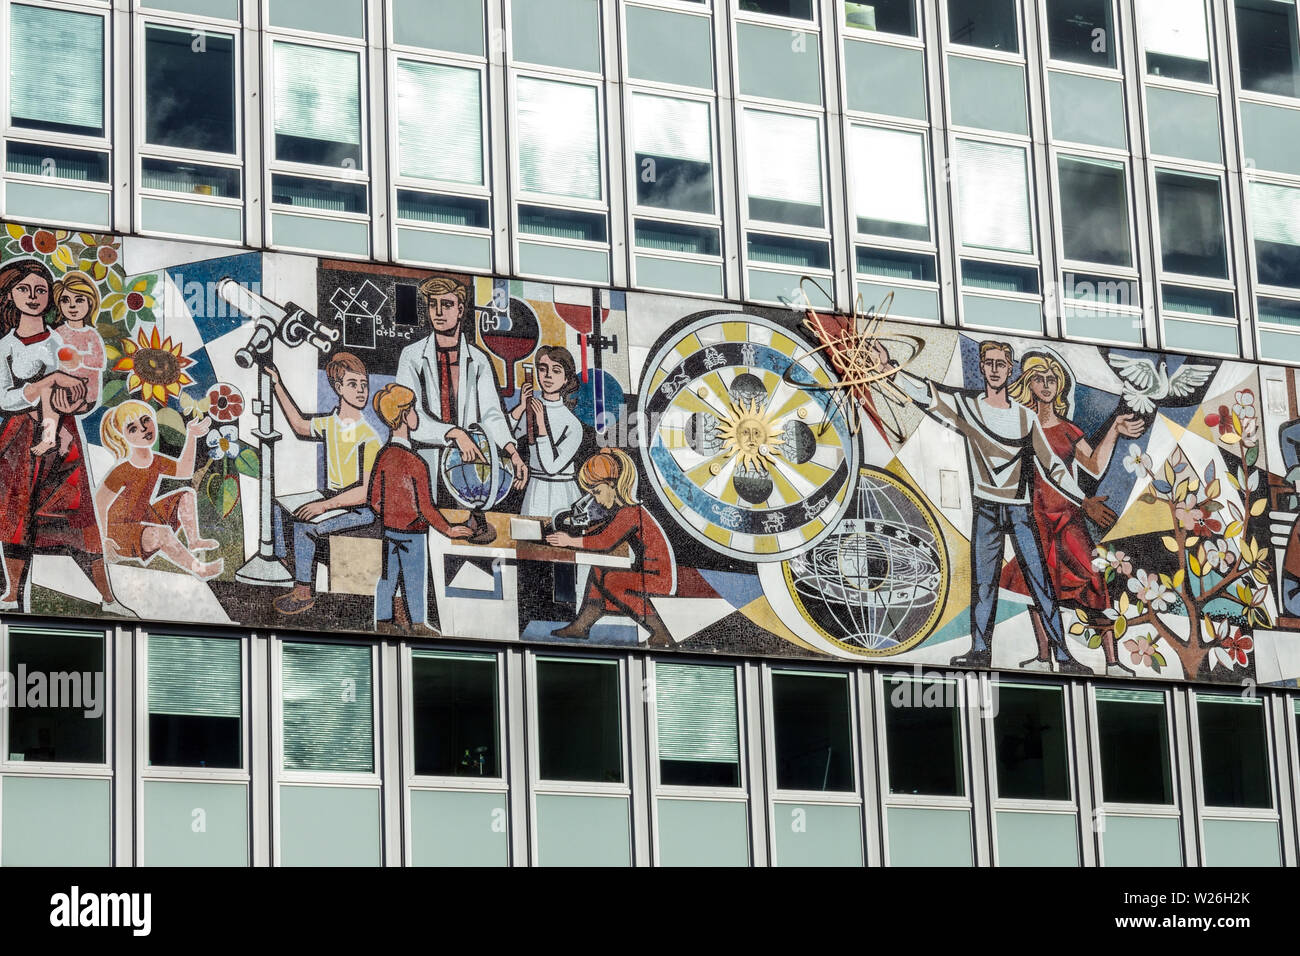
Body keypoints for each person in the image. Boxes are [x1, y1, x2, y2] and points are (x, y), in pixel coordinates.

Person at [876, 339, 1096, 674]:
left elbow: (1051, 464)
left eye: (1001, 364)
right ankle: (980, 652)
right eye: (989, 363)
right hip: (987, 508)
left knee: (1041, 584)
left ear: (1010, 370)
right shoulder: (969, 407)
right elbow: (929, 396)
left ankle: (1064, 656)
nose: (994, 370)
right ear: (982, 368)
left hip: (1019, 510)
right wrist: (889, 369)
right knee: (982, 585)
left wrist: (1082, 499)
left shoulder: (1025, 418)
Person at [999, 353, 1147, 676]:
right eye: (1040, 379)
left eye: (1052, 380)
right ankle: (1043, 657)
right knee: (1033, 583)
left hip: (1068, 516)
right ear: (1030, 384)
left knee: (1094, 579)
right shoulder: (1021, 426)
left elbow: (1093, 465)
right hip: (1035, 517)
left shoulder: (1067, 430)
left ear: (1060, 385)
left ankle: (1112, 662)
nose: (1046, 385)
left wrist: (1115, 430)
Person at [0, 259, 128, 614]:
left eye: (40, 290)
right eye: (24, 289)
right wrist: (43, 384)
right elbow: (4, 397)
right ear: (11, 294)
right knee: (16, 513)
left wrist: (78, 395)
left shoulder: (62, 338)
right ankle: (11, 596)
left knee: (78, 513)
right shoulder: (6, 345)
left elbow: (85, 388)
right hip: (19, 437)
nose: (32, 296)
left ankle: (108, 599)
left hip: (64, 435)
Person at [394, 276, 528, 506]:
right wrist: (455, 433)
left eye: (446, 305)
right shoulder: (412, 356)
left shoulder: (478, 360)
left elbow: (491, 414)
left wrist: (512, 452)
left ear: (460, 310)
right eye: (432, 304)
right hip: (427, 460)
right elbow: (409, 419)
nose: (438, 312)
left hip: (470, 465)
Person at [267, 351, 380, 615]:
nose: (361, 390)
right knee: (277, 507)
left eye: (364, 384)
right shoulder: (331, 423)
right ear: (338, 388)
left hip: (360, 510)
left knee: (305, 526)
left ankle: (303, 593)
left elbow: (366, 492)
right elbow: (298, 425)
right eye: (353, 384)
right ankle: (283, 567)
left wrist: (325, 506)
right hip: (332, 497)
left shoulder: (369, 437)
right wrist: (277, 384)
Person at [545, 449, 676, 648]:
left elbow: (604, 542)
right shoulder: (625, 511)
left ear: (612, 485)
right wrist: (577, 531)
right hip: (647, 573)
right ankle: (582, 626)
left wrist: (568, 540)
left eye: (597, 492)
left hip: (658, 578)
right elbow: (602, 530)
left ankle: (660, 632)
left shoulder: (630, 512)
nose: (596, 499)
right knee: (598, 570)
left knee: (612, 580)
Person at [369, 384, 473, 632]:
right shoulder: (416, 462)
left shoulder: (384, 456)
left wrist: (390, 516)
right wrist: (449, 530)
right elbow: (426, 507)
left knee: (388, 578)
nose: (417, 414)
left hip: (390, 530)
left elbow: (374, 499)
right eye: (414, 408)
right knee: (414, 580)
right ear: (405, 415)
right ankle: (418, 623)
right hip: (414, 533)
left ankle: (383, 621)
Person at [96, 400, 221, 579]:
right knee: (161, 533)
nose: (143, 429)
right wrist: (104, 540)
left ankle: (194, 541)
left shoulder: (157, 461)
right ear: (123, 437)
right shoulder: (122, 471)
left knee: (187, 495)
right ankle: (199, 569)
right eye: (132, 428)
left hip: (143, 518)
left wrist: (192, 436)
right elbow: (99, 504)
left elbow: (184, 471)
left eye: (145, 420)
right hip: (120, 532)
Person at [510, 345, 583, 518]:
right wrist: (520, 408)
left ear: (566, 379)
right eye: (543, 369)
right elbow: (503, 437)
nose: (548, 376)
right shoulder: (529, 408)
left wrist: (541, 424)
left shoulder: (572, 424)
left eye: (556, 370)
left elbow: (551, 467)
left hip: (563, 492)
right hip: (536, 489)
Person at [51, 271, 106, 409]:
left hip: (88, 396)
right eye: (65, 300)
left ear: (90, 302)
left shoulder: (91, 334)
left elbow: (100, 361)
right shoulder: (58, 333)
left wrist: (80, 359)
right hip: (62, 394)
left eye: (79, 300)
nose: (72, 306)